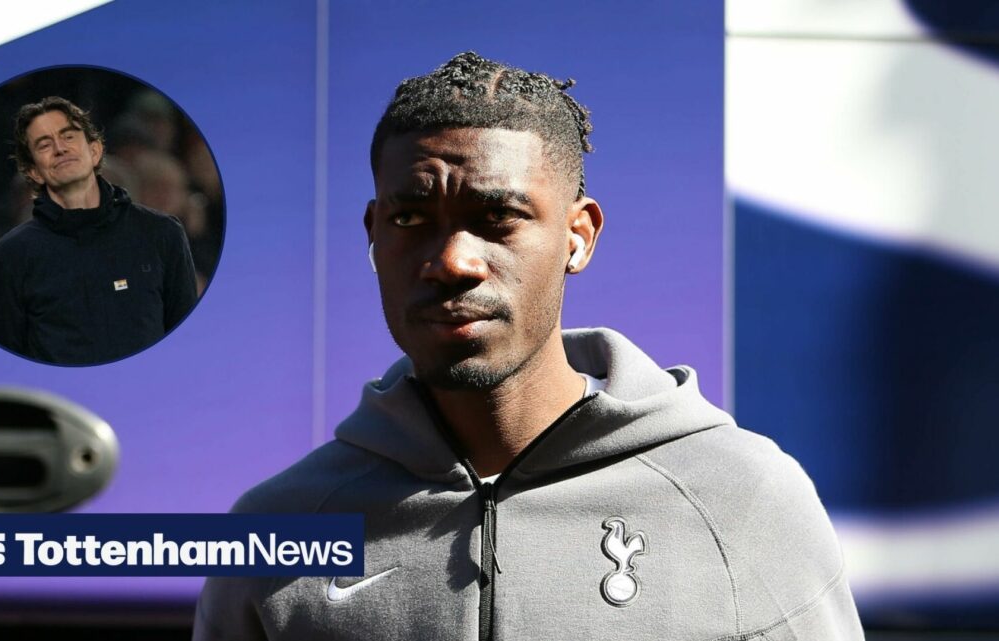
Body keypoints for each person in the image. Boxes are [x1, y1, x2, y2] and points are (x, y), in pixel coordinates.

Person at [195, 52, 863, 640]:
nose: (453, 260)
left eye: (498, 219)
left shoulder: (743, 499)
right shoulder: (280, 526)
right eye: (410, 219)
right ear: (373, 233)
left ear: (578, 235)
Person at [0, 96, 197, 365]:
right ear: (33, 172)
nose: (60, 149)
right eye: (44, 145)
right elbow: (10, 370)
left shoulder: (161, 233)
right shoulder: (11, 256)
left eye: (69, 136)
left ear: (95, 151)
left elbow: (188, 344)